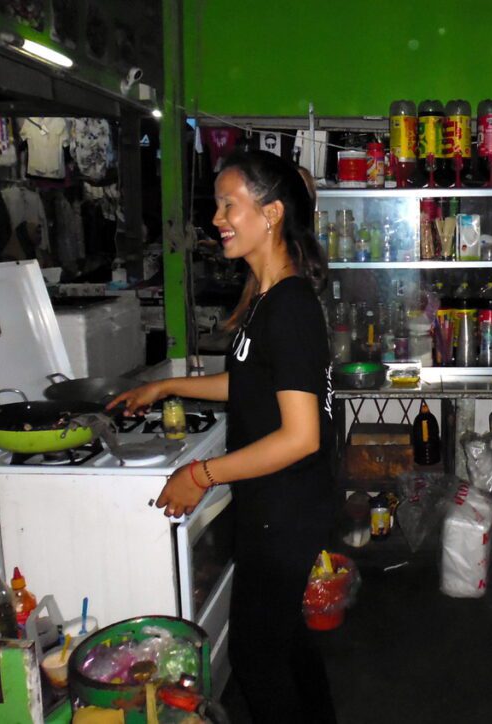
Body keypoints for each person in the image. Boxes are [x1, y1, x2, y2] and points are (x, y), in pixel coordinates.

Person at [108, 150, 337, 722]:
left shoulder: (288, 307)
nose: (217, 219)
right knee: (286, 643)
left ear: (273, 213)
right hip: (280, 503)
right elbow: (248, 385)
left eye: (228, 205)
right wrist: (166, 389)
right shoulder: (266, 297)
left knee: (257, 660)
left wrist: (198, 474)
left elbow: (301, 436)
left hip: (284, 509)